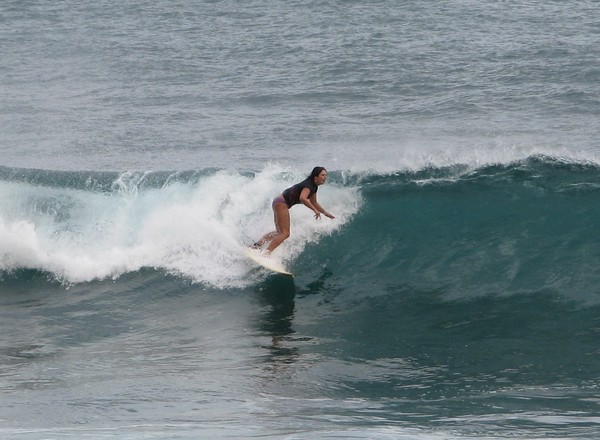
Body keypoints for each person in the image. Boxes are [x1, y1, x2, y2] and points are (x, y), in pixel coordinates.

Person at [254, 166, 335, 255]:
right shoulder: (309, 185)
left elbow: (314, 202)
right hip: (281, 203)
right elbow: (303, 198)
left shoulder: (314, 187)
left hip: (278, 202)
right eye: (323, 175)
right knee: (285, 233)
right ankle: (266, 253)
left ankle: (257, 246)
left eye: (325, 175)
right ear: (316, 177)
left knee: (279, 232)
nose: (325, 177)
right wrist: (314, 210)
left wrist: (325, 213)